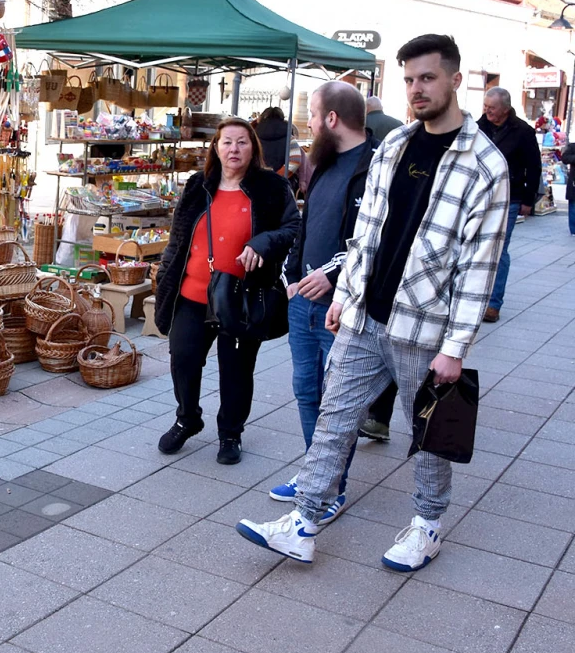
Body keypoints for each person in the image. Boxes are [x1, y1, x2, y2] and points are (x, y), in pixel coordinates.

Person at [236, 34, 509, 571]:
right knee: (335, 419)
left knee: (427, 433)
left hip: (424, 327)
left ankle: (427, 525)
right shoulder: (396, 145)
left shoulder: (485, 165)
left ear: (456, 80)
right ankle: (305, 522)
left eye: (427, 78)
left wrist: (456, 348)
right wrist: (348, 295)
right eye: (409, 79)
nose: (416, 89)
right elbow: (366, 233)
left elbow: (480, 266)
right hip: (365, 318)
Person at [153, 118, 299, 465]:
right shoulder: (196, 186)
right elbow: (177, 242)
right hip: (192, 293)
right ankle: (187, 418)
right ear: (216, 148)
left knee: (236, 370)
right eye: (227, 142)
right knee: (184, 359)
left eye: (242, 142)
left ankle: (230, 434)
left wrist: (264, 243)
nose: (234, 149)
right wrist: (163, 280)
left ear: (254, 148)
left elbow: (293, 226)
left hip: (241, 297)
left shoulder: (271, 188)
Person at [270, 81, 378, 523]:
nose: (309, 124)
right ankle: (316, 471)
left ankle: (332, 486)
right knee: (306, 390)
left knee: (339, 402)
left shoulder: (375, 166)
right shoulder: (323, 161)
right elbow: (307, 222)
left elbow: (372, 239)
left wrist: (331, 275)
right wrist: (292, 277)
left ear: (331, 118)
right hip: (303, 301)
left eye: (313, 116)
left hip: (342, 307)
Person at [477, 87, 542, 323]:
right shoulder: (477, 127)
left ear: (505, 109)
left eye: (491, 108)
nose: (487, 111)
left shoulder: (523, 131)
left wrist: (528, 199)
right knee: (475, 247)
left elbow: (533, 166)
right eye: (485, 107)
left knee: (500, 249)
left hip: (510, 196)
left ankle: (493, 304)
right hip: (479, 195)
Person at [255, 106, 289, 172]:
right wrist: (278, 176)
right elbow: (296, 160)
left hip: (258, 177)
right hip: (283, 180)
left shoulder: (254, 135)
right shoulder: (289, 136)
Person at [564, 141, 575, 236]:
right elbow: (565, 158)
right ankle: (574, 230)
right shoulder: (573, 146)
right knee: (573, 206)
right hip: (574, 182)